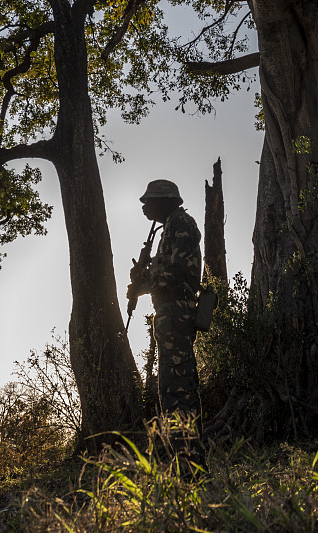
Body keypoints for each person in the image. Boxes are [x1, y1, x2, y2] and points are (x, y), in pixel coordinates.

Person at [127, 179, 205, 473]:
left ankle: (188, 466)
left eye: (149, 202)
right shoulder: (170, 227)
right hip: (170, 312)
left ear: (165, 201)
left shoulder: (180, 223)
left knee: (176, 389)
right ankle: (188, 462)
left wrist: (143, 284)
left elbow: (176, 271)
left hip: (175, 312)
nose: (145, 207)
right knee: (177, 387)